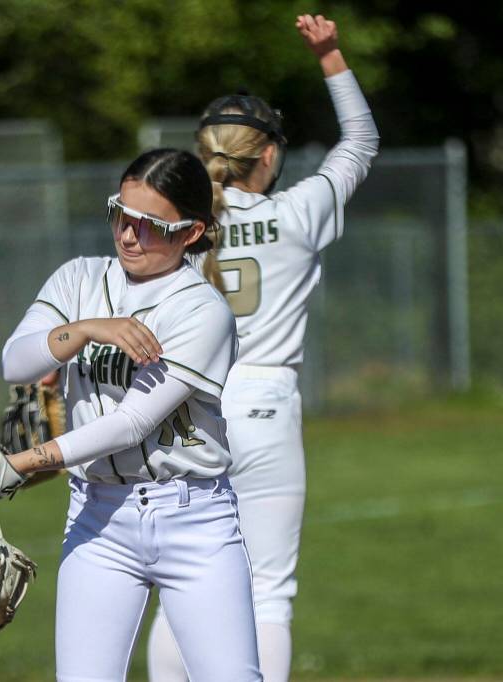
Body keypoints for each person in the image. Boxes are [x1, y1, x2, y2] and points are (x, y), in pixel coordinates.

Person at [147, 14, 380, 682]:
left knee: (184, 585)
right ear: (269, 153)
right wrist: (330, 54)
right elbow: (361, 140)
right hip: (265, 405)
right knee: (267, 589)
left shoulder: (177, 231)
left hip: (188, 406)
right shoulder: (297, 212)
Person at [0, 148, 263, 681]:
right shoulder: (77, 278)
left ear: (192, 233)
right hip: (98, 517)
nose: (128, 234)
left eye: (150, 225)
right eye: (121, 214)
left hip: (193, 518)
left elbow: (131, 423)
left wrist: (24, 462)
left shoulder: (202, 308)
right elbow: (15, 361)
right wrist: (88, 328)